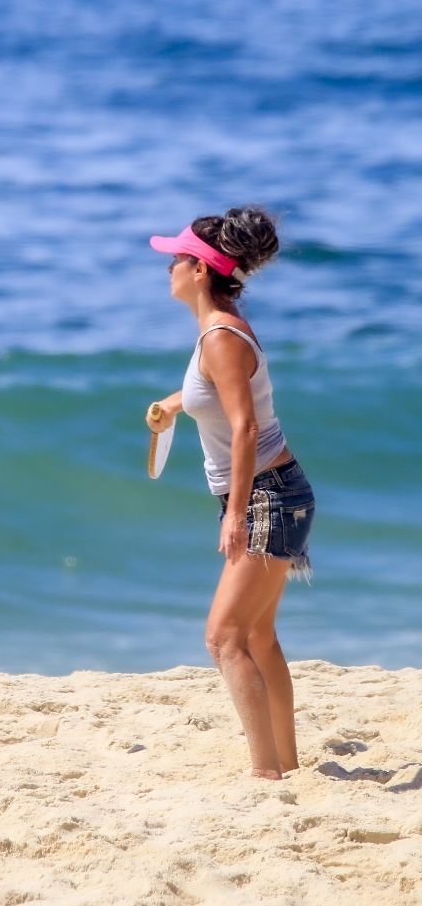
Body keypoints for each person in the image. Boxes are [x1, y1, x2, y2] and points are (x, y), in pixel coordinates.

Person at [146, 207, 314, 780]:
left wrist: (236, 515)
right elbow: (220, 391)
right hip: (278, 490)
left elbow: (243, 428)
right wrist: (173, 403)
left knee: (224, 638)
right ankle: (285, 765)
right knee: (259, 636)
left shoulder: (220, 336)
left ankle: (265, 774)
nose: (168, 264)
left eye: (177, 257)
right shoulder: (220, 329)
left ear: (200, 270)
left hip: (268, 495)